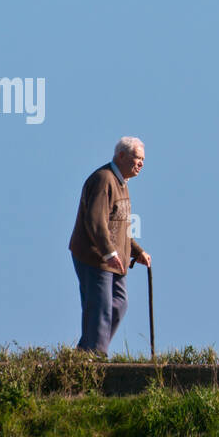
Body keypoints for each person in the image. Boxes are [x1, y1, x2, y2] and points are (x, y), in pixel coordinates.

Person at [68, 137, 151, 353]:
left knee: (119, 305)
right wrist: (108, 253)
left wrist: (137, 252)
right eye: (137, 158)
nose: (141, 164)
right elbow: (95, 221)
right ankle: (94, 356)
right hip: (95, 256)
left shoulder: (122, 183)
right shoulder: (104, 179)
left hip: (115, 259)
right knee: (100, 307)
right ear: (121, 156)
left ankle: (87, 351)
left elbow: (120, 227)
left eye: (143, 160)